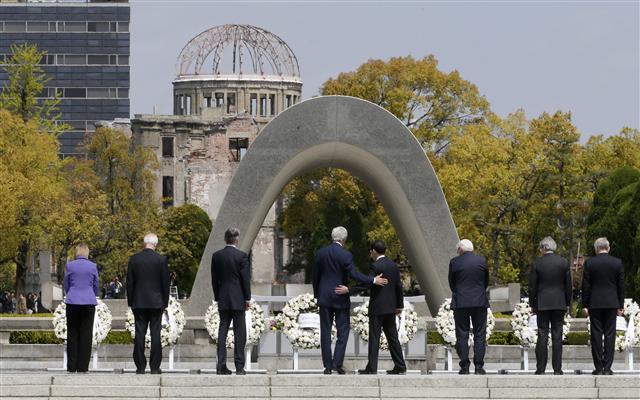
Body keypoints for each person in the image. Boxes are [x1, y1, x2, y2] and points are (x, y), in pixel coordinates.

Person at [312, 226, 388, 375]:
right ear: (344, 240)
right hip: (340, 297)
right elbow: (354, 274)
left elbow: (315, 277)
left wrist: (317, 295)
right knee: (343, 331)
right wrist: (372, 280)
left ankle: (327, 366)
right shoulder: (345, 255)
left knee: (325, 332)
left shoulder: (320, 253)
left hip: (324, 298)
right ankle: (337, 363)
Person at [344, 240, 406, 375]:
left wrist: (349, 290)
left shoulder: (375, 266)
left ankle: (372, 368)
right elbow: (398, 286)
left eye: (370, 251)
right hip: (390, 308)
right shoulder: (393, 265)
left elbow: (367, 283)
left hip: (377, 307)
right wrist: (399, 306)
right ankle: (400, 366)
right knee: (393, 337)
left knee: (374, 337)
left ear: (374, 251)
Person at [126, 233, 170, 375]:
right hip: (156, 302)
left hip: (138, 302)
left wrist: (131, 302)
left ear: (144, 243)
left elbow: (130, 283)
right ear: (155, 244)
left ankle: (140, 366)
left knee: (140, 334)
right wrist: (165, 302)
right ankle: (155, 366)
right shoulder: (161, 260)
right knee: (156, 334)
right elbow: (165, 283)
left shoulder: (134, 259)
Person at [581, 237, 624, 375]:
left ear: (596, 248)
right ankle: (608, 367)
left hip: (595, 303)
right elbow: (620, 286)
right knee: (610, 335)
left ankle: (599, 367)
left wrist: (585, 304)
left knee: (596, 335)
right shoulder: (617, 263)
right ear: (608, 247)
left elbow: (585, 286)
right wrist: (621, 304)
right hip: (612, 303)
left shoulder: (589, 263)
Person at [211, 227, 251, 375]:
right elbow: (245, 280)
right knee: (240, 332)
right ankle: (239, 367)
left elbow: (214, 279)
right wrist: (247, 298)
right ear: (237, 239)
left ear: (225, 239)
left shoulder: (217, 256)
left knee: (222, 331)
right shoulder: (241, 256)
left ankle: (220, 365)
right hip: (238, 298)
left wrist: (217, 296)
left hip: (223, 298)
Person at [529, 236, 571, 375]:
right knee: (557, 335)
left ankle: (540, 368)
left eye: (540, 248)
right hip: (559, 302)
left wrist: (533, 304)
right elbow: (568, 286)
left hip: (542, 302)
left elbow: (532, 287)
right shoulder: (563, 262)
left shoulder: (537, 263)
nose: (539, 251)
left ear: (544, 248)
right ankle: (557, 369)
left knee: (542, 334)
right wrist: (568, 303)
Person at [448, 239, 489, 375]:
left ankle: (464, 366)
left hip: (461, 302)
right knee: (479, 334)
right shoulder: (482, 261)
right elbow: (485, 281)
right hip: (479, 302)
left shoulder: (454, 262)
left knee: (462, 334)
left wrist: (460, 292)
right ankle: (479, 366)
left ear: (460, 249)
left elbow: (452, 283)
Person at [63, 243, 99, 373]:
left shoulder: (70, 265)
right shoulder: (93, 266)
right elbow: (96, 285)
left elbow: (66, 284)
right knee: (86, 334)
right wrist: (90, 294)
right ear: (87, 253)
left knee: (72, 333)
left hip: (72, 301)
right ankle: (83, 366)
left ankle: (72, 366)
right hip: (88, 302)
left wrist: (71, 292)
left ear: (76, 253)